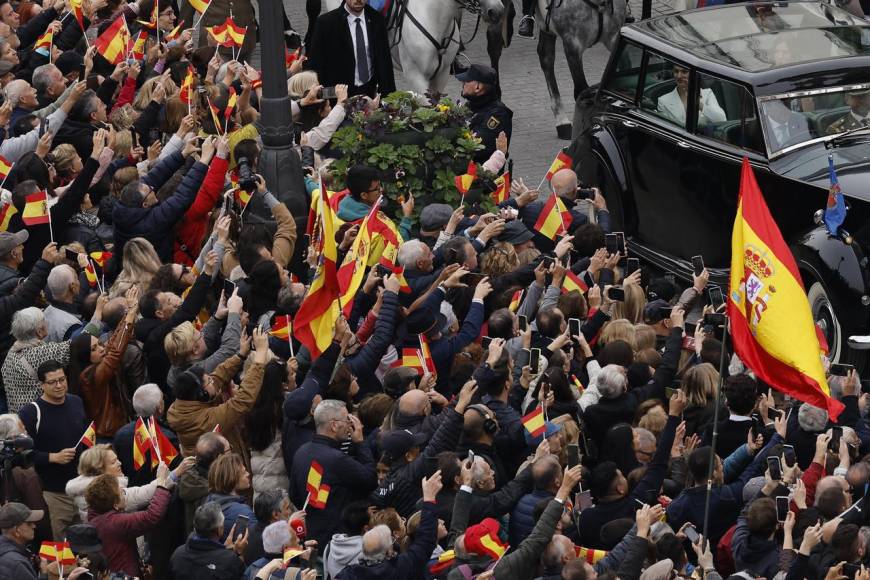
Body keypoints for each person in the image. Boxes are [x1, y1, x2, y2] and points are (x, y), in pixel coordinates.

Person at [290, 399, 378, 550]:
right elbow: (370, 479)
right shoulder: (336, 459)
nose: (350, 425)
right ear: (334, 425)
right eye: (347, 420)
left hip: (311, 535)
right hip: (335, 542)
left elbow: (295, 495)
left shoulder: (301, 452)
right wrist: (360, 443)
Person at [18, 360, 88, 540]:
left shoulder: (76, 402)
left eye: (62, 379)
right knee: (59, 547)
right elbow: (22, 455)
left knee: (86, 545)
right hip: (54, 494)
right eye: (52, 382)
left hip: (82, 488)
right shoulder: (31, 412)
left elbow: (86, 435)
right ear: (41, 385)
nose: (59, 385)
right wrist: (52, 457)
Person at [85, 468, 171, 577]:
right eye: (120, 492)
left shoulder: (96, 517)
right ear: (115, 505)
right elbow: (152, 516)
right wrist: (161, 483)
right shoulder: (115, 523)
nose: (124, 491)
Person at [306, 0, 396, 98]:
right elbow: (315, 66)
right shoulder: (326, 23)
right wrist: (323, 98)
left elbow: (385, 62)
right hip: (338, 99)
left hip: (369, 94)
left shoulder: (377, 19)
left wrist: (390, 99)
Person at [169, 501, 247, 580]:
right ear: (219, 529)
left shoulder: (177, 554)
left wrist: (224, 552)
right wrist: (238, 554)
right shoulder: (230, 561)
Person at [456, 63, 513, 162]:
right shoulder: (472, 105)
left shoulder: (497, 115)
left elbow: (477, 147)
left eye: (467, 80)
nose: (463, 83)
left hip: (482, 173)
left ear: (478, 87)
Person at [657, 65, 726, 128]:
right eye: (676, 71)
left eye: (684, 72)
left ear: (693, 74)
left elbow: (721, 120)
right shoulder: (663, 100)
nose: (679, 76)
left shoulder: (707, 94)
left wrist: (698, 103)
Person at [0, 502, 44, 579]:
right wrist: (44, 573)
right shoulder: (17, 563)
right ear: (17, 531)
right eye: (29, 523)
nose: (34, 526)